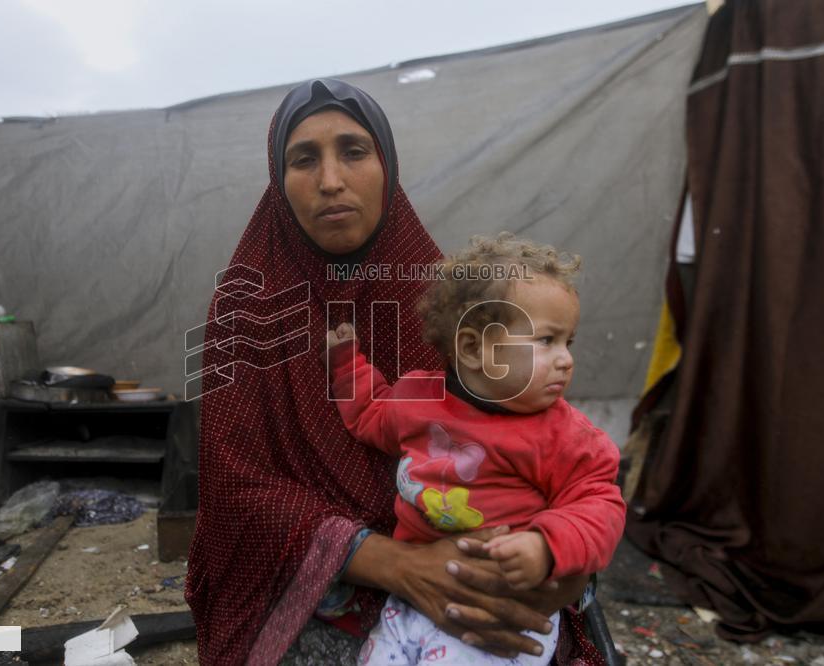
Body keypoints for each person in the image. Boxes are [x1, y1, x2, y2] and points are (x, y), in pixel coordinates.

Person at [185, 79, 595, 666]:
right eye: (304, 159)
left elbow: (543, 440)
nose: (330, 180)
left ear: (387, 164)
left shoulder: (442, 299)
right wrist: (394, 562)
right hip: (321, 578)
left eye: (354, 151)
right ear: (279, 182)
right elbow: (236, 488)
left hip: (473, 546)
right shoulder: (245, 304)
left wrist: (545, 562)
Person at [325, 233, 627, 664]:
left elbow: (601, 503)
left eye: (568, 342)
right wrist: (347, 366)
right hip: (411, 599)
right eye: (546, 340)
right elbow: (371, 415)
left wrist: (546, 547)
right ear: (472, 348)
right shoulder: (418, 399)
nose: (566, 359)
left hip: (498, 618)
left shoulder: (564, 435)